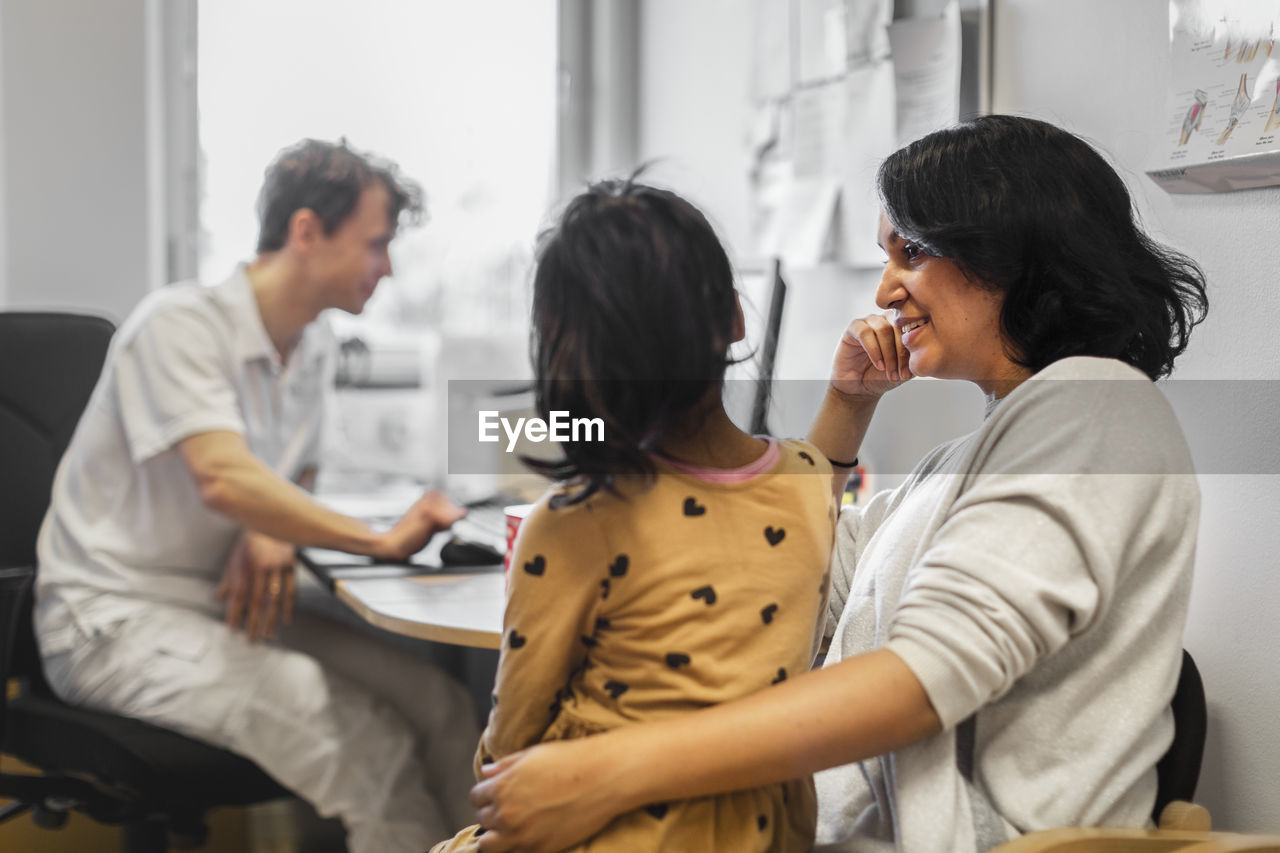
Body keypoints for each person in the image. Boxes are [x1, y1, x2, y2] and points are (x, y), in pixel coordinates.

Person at [464, 115, 1210, 853]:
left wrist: (605, 772)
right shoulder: (961, 460)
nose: (886, 291)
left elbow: (921, 679)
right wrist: (845, 408)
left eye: (910, 252)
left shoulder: (1097, 405)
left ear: (1013, 254)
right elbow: (794, 567)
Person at [35, 139, 479, 853]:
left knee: (445, 705)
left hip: (223, 602)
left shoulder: (314, 344)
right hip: (111, 620)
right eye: (375, 244)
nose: (387, 267)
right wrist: (378, 539)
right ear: (307, 232)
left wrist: (268, 530)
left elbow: (285, 472)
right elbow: (224, 476)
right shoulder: (178, 325)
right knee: (372, 748)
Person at [432, 179, 838, 852]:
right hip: (766, 833)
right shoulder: (808, 484)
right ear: (736, 319)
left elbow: (507, 757)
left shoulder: (574, 522)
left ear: (570, 358)